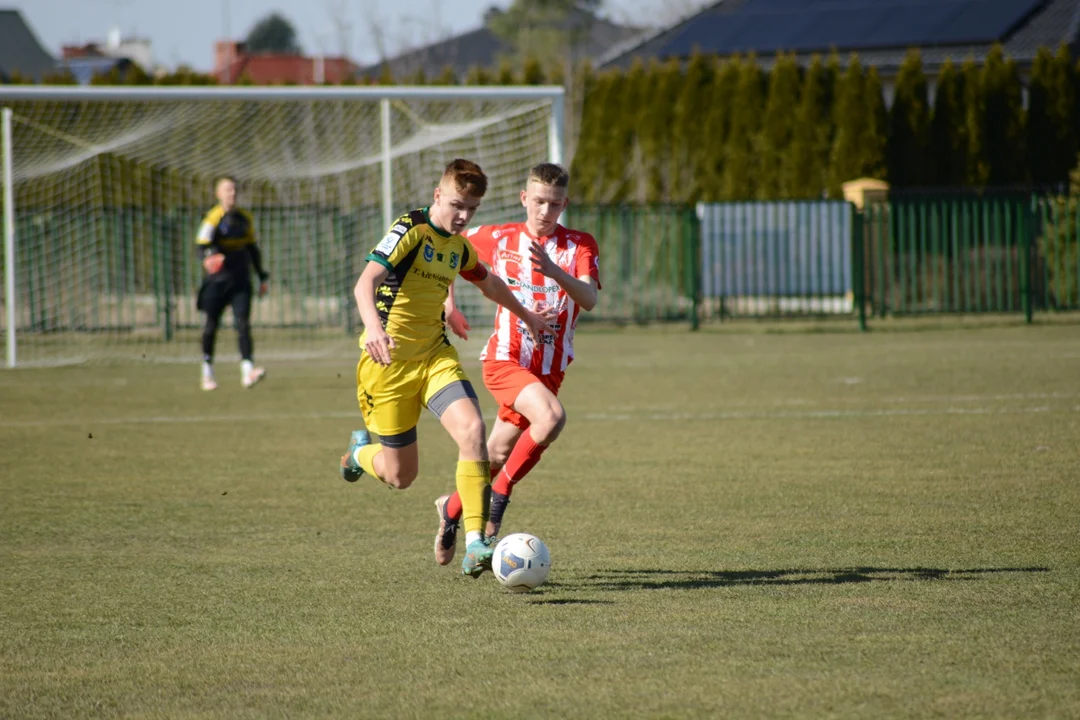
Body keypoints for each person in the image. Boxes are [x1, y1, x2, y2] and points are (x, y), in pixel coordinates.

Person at [339, 158, 553, 578]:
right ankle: (358, 453)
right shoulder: (411, 229)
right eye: (457, 205)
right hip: (388, 366)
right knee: (400, 477)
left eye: (472, 209)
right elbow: (365, 283)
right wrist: (375, 330)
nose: (463, 216)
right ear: (438, 195)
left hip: (435, 356)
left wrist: (526, 315)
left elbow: (489, 282)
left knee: (473, 430)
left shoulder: (458, 246)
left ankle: (476, 542)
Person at [432, 162, 600, 566]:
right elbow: (450, 248)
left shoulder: (579, 245)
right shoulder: (499, 237)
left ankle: (450, 511)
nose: (546, 211)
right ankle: (496, 505)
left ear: (565, 204)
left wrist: (554, 271)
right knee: (552, 418)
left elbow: (590, 299)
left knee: (493, 456)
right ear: (525, 198)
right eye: (539, 201)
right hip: (505, 360)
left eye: (555, 204)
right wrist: (449, 305)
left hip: (549, 369)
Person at [195, 176, 269, 391]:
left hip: (240, 280)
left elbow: (252, 250)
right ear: (218, 194)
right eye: (227, 190)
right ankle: (207, 372)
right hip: (216, 282)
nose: (232, 194)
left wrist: (262, 277)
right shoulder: (212, 218)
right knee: (210, 326)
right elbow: (200, 247)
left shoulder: (245, 218)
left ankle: (248, 372)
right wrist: (210, 257)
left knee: (243, 324)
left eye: (234, 190)